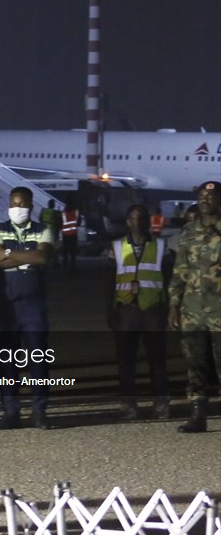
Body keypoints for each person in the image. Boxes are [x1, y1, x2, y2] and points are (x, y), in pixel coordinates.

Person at [0, 186, 55, 430]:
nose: (18, 208)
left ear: (31, 206)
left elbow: (42, 257)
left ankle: (39, 411)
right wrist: (27, 255)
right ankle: (11, 412)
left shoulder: (43, 230)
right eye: (14, 204)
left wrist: (8, 254)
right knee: (7, 361)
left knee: (38, 358)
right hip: (5, 305)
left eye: (22, 204)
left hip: (33, 305)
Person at [106, 204, 171, 421]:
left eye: (143, 218)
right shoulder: (116, 247)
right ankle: (128, 404)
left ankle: (161, 404)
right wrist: (109, 310)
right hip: (126, 310)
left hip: (153, 310)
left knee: (157, 360)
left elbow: (169, 279)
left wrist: (168, 308)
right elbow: (109, 281)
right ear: (128, 222)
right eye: (134, 218)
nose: (139, 222)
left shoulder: (161, 246)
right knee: (126, 361)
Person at [168, 181, 220, 434]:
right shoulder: (189, 231)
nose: (204, 200)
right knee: (195, 364)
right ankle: (198, 415)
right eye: (201, 196)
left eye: (210, 196)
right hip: (193, 310)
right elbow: (180, 270)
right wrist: (174, 305)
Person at [39, 198, 62, 268]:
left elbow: (40, 219)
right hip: (52, 230)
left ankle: (43, 262)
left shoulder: (43, 210)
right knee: (54, 247)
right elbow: (58, 221)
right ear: (53, 205)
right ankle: (55, 262)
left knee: (44, 246)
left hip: (44, 230)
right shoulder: (55, 212)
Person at [60, 200, 82, 271]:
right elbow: (79, 223)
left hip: (65, 234)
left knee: (65, 250)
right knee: (73, 251)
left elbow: (59, 222)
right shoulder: (76, 212)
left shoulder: (63, 212)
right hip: (73, 234)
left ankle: (65, 265)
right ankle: (72, 266)